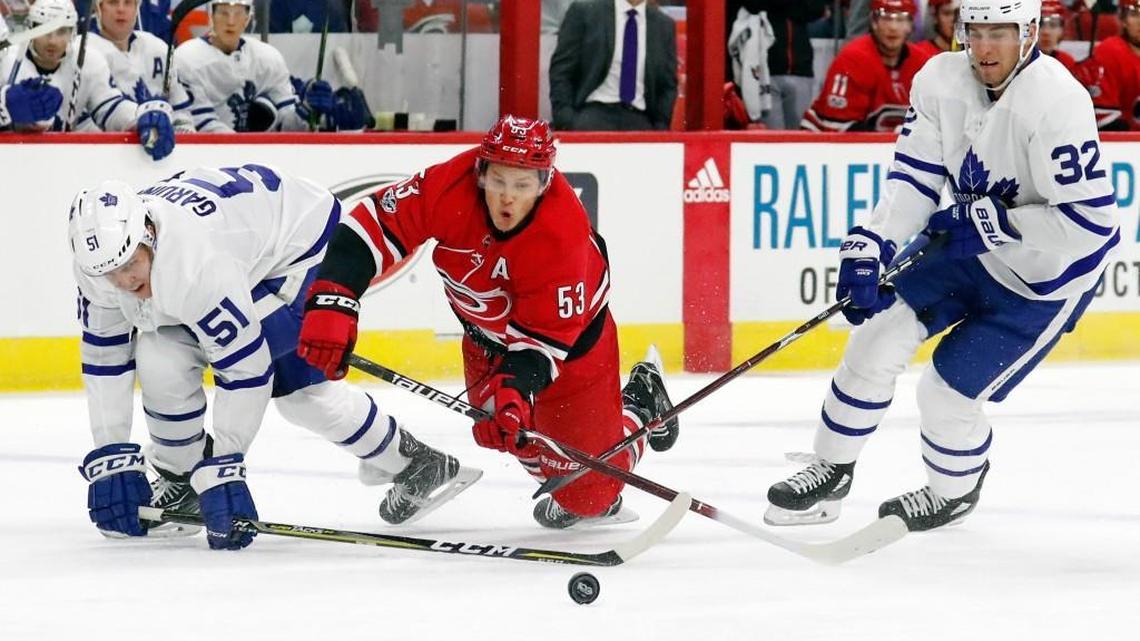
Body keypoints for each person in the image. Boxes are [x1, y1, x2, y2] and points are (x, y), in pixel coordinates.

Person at [766, 0, 1118, 532]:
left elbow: (1091, 224)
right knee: (877, 334)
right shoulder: (938, 79)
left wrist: (997, 223)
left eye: (1000, 32)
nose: (983, 47)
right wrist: (874, 241)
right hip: (972, 252)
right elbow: (915, 176)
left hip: (1046, 281)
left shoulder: (1057, 101)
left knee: (945, 394)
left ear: (1028, 34)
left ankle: (952, 492)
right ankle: (831, 469)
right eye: (974, 30)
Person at [297, 114, 681, 529]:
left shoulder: (562, 234)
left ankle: (641, 404)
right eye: (498, 181)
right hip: (485, 340)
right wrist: (334, 298)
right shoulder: (451, 184)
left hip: (571, 349)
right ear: (481, 172)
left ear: (544, 183)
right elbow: (372, 225)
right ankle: (559, 473)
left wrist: (514, 391)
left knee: (586, 494)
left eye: (522, 185)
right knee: (508, 431)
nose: (507, 199)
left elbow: (540, 346)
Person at [70, 165, 478, 550]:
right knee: (163, 355)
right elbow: (104, 355)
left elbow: (245, 369)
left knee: (294, 394)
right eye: (110, 273)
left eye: (131, 264)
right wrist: (110, 450)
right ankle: (413, 463)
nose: (124, 281)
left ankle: (413, 463)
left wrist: (226, 466)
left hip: (308, 248)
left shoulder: (195, 264)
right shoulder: (102, 260)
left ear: (149, 234)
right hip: (249, 246)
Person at [0, 0, 174, 160]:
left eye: (61, 31)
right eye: (43, 31)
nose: (52, 41)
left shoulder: (89, 60)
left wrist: (139, 116)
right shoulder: (6, 61)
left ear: (73, 33)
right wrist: (4, 109)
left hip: (66, 161)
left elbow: (110, 108)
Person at [173, 0, 336, 132]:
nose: (231, 22)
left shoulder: (268, 57)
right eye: (223, 13)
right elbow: (204, 128)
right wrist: (250, 149)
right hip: (209, 158)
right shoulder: (187, 58)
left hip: (259, 155)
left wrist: (306, 110)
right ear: (211, 16)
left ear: (247, 18)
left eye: (238, 13)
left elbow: (288, 127)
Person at [801, 0, 932, 132]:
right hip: (826, 140)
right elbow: (836, 125)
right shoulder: (853, 58)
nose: (893, 27)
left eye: (900, 19)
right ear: (874, 22)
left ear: (910, 25)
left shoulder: (921, 62)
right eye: (886, 18)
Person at [548, 0, 678, 131]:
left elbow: (668, 84)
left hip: (640, 119)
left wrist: (660, 126)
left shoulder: (664, 25)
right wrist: (565, 118)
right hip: (591, 112)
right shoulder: (585, 12)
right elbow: (562, 70)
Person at [87, 0, 193, 132]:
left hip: (163, 142)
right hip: (108, 143)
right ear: (98, 8)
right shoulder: (84, 51)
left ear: (136, 8)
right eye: (113, 2)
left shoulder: (157, 47)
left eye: (128, 3)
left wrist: (181, 136)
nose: (121, 9)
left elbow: (181, 113)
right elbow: (84, 125)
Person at [1076, 0, 1140, 130]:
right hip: (1124, 141)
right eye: (1134, 14)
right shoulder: (1110, 52)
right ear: (1123, 20)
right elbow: (1105, 121)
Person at [1038, 0, 1078, 75]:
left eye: (1053, 25)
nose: (1046, 32)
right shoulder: (1020, 62)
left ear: (1062, 30)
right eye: (1040, 24)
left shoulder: (1066, 61)